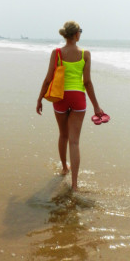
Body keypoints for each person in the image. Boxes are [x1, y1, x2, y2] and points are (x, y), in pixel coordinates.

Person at [36, 21, 104, 191]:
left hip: (60, 97)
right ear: (76, 34)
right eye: (80, 31)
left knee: (63, 135)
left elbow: (48, 79)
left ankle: (65, 168)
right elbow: (87, 82)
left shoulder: (57, 53)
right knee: (74, 142)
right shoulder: (85, 54)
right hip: (78, 98)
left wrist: (40, 99)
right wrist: (96, 106)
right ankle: (74, 185)